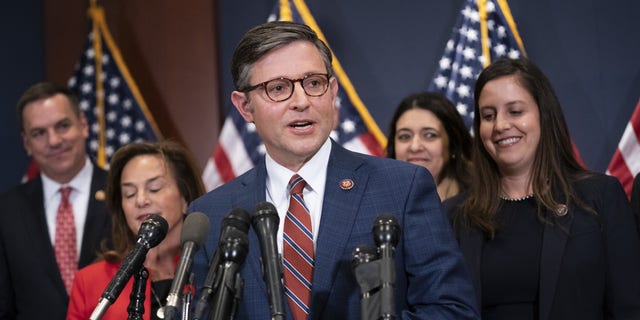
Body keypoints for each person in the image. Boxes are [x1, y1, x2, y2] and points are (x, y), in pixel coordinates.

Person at [189, 21, 479, 319]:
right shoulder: (212, 215)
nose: (301, 102)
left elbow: (452, 311)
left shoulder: (401, 188)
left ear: (332, 90)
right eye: (278, 88)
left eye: (313, 83)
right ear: (245, 107)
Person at [444, 57, 640, 319]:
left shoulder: (599, 196)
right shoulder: (454, 216)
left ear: (543, 115)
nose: (500, 125)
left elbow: (629, 306)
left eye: (515, 111)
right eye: (488, 116)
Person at [0, 82, 112, 319]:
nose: (53, 141)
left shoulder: (122, 194)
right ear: (26, 143)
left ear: (83, 125)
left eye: (62, 126)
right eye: (39, 133)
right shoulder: (7, 211)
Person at [66, 140, 205, 320]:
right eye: (129, 194)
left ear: (185, 198)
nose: (140, 200)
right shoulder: (90, 281)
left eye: (154, 188)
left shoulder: (211, 269)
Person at [386, 92, 472, 200]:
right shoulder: (374, 203)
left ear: (453, 145)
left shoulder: (480, 205)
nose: (415, 147)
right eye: (404, 136)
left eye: (429, 135)